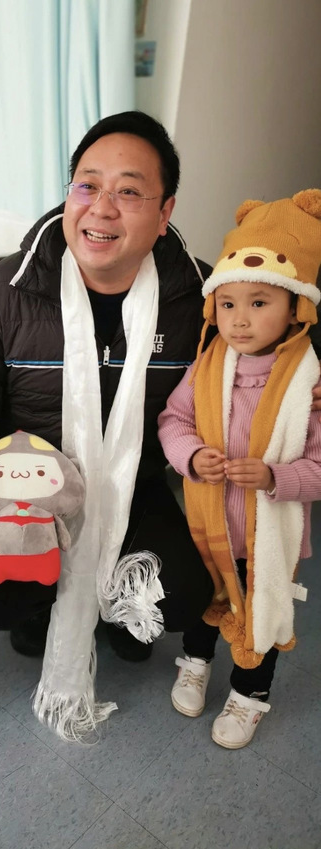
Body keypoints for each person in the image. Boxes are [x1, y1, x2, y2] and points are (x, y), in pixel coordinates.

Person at [0, 111, 321, 740]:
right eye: (87, 185)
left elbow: (276, 338)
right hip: (29, 485)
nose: (101, 208)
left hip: (131, 485)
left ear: (165, 211)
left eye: (129, 191)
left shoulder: (201, 297)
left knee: (182, 595)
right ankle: (44, 605)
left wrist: (304, 389)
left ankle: (115, 608)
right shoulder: (11, 287)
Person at [158, 190, 321, 749]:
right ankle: (195, 662)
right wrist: (190, 455)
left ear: (296, 307)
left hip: (265, 538)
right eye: (227, 304)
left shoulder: (308, 386)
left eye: (259, 302)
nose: (240, 319)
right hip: (209, 523)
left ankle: (250, 694)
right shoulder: (208, 365)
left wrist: (276, 478)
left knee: (261, 608)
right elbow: (174, 419)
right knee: (202, 599)